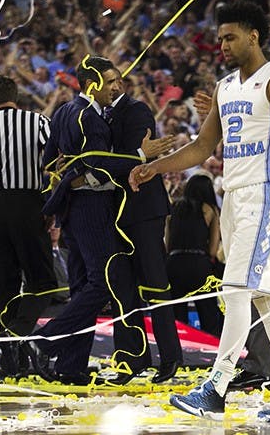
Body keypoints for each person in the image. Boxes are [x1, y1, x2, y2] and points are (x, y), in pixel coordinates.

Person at [129, 0, 270, 421]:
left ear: (253, 35)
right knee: (267, 297)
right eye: (219, 38)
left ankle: (215, 387)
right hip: (234, 197)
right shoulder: (223, 86)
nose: (222, 45)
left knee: (236, 290)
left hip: (268, 193)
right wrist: (154, 168)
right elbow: (202, 148)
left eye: (230, 37)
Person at [22, 56, 153, 385]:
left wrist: (68, 172)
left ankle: (71, 365)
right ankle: (45, 339)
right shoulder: (89, 118)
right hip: (93, 207)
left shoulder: (64, 111)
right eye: (110, 81)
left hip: (71, 211)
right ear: (92, 83)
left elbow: (49, 160)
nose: (116, 87)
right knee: (103, 282)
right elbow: (99, 164)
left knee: (82, 286)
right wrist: (141, 155)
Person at [0, 75, 58, 377]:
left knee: (3, 283)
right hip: (28, 203)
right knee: (44, 282)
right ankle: (19, 333)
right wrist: (52, 204)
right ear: (17, 96)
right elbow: (55, 161)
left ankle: (12, 353)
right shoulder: (37, 122)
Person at [108, 77, 182, 384]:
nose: (109, 86)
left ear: (122, 83)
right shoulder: (97, 115)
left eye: (114, 80)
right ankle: (131, 360)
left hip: (142, 209)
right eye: (105, 81)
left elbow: (138, 157)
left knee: (155, 284)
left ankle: (170, 357)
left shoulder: (136, 110)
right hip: (115, 212)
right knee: (121, 288)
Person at [166, 173, 224, 336]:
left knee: (177, 318)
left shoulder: (174, 208)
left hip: (173, 264)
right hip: (199, 265)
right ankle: (211, 352)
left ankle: (178, 355)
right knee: (208, 314)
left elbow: (167, 244)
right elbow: (213, 250)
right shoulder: (210, 210)